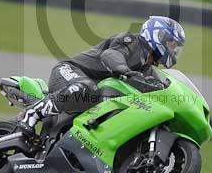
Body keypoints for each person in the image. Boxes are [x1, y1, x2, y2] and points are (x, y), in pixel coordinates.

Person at [16, 15, 186, 138]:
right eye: (172, 44)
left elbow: (158, 86)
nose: (174, 50)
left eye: (176, 47)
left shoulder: (147, 69)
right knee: (85, 88)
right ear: (158, 35)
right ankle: (31, 114)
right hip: (70, 70)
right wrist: (123, 70)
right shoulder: (130, 40)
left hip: (93, 95)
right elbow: (111, 55)